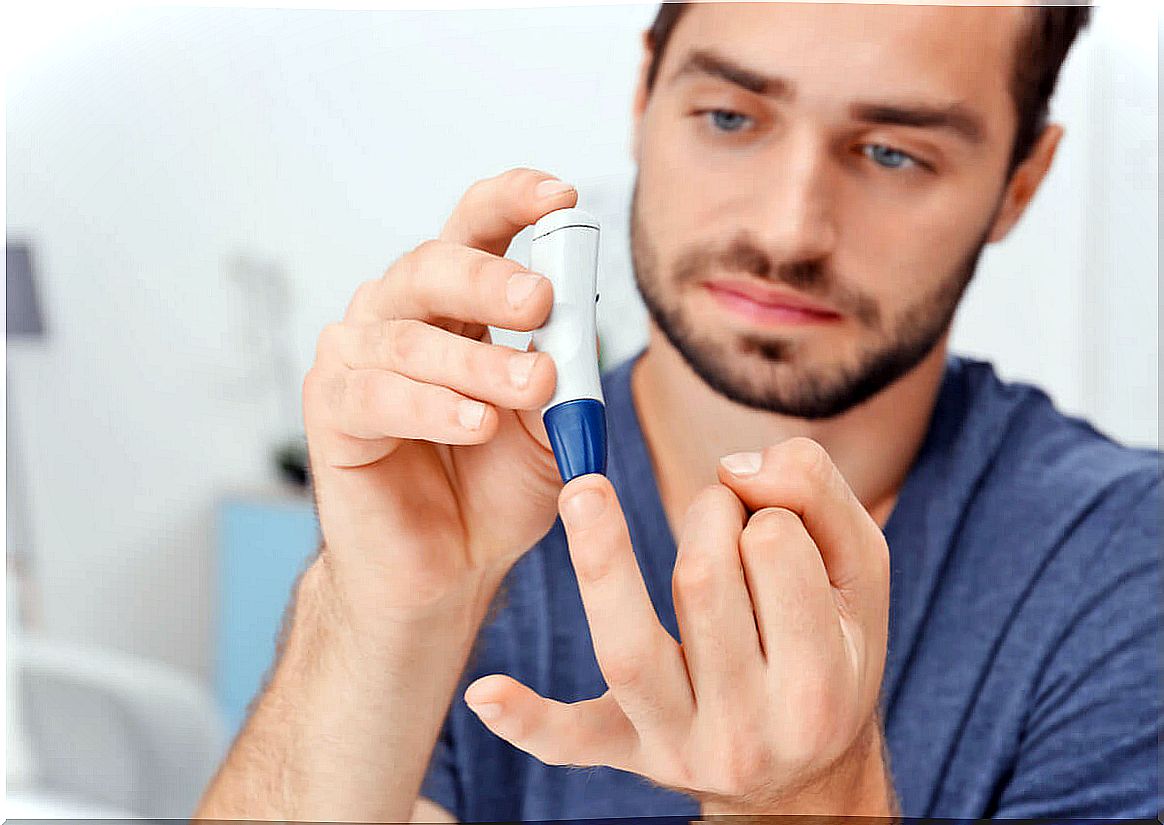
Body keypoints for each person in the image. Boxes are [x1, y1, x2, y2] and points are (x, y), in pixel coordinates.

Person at [196, 2, 1160, 821]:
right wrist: (382, 618)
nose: (788, 228)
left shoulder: (1127, 567)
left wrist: (813, 801)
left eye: (890, 152)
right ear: (645, 93)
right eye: (731, 118)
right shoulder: (469, 503)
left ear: (1020, 182)